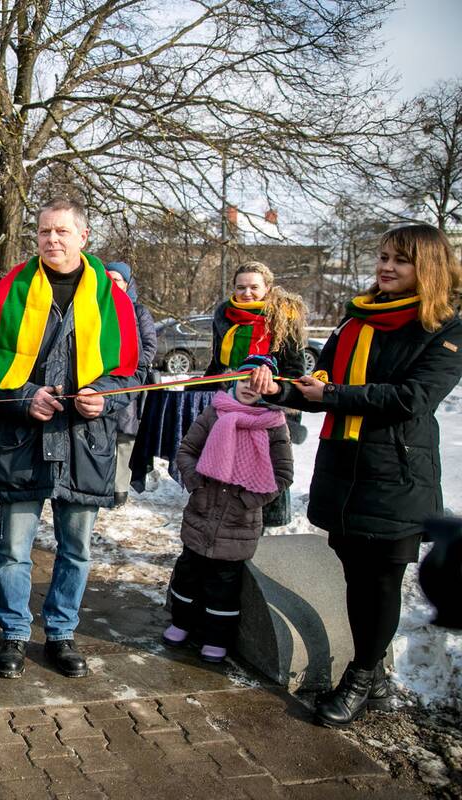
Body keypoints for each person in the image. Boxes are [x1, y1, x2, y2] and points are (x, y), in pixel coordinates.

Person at [259, 223, 461, 728]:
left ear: (428, 268)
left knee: (381, 580)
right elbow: (321, 382)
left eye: (401, 260)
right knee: (355, 575)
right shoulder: (356, 319)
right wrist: (278, 391)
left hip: (398, 475)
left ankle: (362, 676)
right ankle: (373, 671)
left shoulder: (445, 328)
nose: (386, 267)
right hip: (345, 469)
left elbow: (413, 399)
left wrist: (330, 395)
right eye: (384, 256)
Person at [0, 197, 139, 680]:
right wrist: (25, 397)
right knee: (13, 550)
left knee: (76, 550)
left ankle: (61, 633)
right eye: (45, 231)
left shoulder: (112, 299)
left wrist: (103, 397)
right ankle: (13, 633)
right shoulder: (11, 291)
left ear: (83, 237)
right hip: (21, 443)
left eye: (62, 231)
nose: (52, 240)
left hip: (84, 443)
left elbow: (131, 374)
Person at [166, 368, 293, 662]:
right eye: (244, 380)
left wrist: (246, 500)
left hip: (239, 523)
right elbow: (187, 450)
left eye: (257, 384)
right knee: (187, 574)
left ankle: (216, 638)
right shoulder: (215, 412)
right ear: (233, 380)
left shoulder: (274, 425)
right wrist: (197, 484)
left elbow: (282, 475)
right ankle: (181, 623)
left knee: (224, 586)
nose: (249, 387)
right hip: (202, 514)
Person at [205, 261, 307, 526]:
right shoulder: (224, 315)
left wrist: (274, 388)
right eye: (241, 287)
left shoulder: (284, 316)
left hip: (267, 407)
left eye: (253, 287)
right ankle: (229, 526)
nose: (246, 293)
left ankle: (260, 526)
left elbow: (294, 370)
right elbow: (217, 362)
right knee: (228, 470)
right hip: (230, 405)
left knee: (263, 474)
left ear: (268, 288)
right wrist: (201, 386)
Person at [104, 262, 158, 507]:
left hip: (128, 383)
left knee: (125, 438)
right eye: (108, 279)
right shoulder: (95, 306)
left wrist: (132, 368)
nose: (112, 284)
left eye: (117, 280)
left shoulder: (139, 311)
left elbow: (149, 346)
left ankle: (119, 490)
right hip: (100, 382)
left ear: (127, 284)